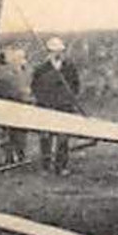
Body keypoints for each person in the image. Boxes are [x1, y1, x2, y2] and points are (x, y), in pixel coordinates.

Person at [31, 37, 81, 174]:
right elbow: (35, 87)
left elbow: (75, 85)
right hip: (47, 106)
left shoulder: (69, 67)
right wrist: (43, 101)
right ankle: (46, 166)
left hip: (64, 107)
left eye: (60, 51)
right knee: (46, 138)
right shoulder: (41, 69)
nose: (58, 54)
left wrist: (69, 99)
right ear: (49, 52)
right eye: (54, 51)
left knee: (63, 138)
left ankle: (61, 166)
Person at [0, 47, 32, 164]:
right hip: (7, 103)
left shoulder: (25, 71)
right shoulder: (2, 72)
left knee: (19, 132)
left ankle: (20, 155)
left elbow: (26, 86)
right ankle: (9, 157)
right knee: (7, 132)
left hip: (20, 103)